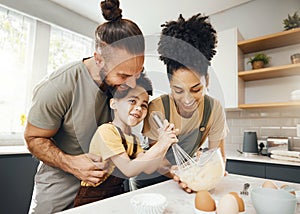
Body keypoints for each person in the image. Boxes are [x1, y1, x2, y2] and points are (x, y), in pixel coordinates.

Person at [24, 0, 146, 213]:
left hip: (106, 190)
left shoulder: (125, 85)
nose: (132, 83)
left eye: (136, 73)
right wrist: (70, 163)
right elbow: (33, 138)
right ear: (99, 59)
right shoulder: (59, 86)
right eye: (123, 75)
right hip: (60, 192)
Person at [134, 13, 229, 192]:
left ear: (206, 81)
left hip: (187, 178)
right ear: (169, 83)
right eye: (178, 90)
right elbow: (158, 160)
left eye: (196, 89)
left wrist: (207, 173)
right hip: (150, 183)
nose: (187, 100)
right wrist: (177, 173)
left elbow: (217, 157)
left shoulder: (214, 110)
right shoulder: (157, 109)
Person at [73, 74, 178, 207]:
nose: (139, 108)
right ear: (114, 103)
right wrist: (161, 143)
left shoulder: (133, 140)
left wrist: (164, 144)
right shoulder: (106, 131)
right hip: (91, 199)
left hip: (115, 196)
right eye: (132, 101)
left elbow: (149, 168)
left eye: (144, 105)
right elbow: (129, 169)